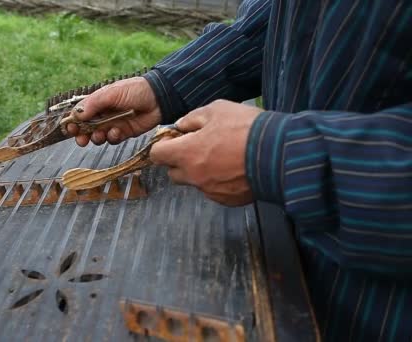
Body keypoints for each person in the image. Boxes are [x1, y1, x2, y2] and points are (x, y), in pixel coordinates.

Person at [66, 0, 412, 340]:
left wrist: (279, 156)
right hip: (276, 254)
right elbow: (287, 17)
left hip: (370, 307)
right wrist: (167, 86)